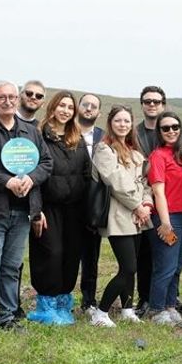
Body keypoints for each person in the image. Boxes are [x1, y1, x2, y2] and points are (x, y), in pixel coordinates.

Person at [0, 81, 52, 337]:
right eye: (1, 97)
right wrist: (6, 181)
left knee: (11, 268)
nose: (8, 101)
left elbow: (46, 162)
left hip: (22, 211)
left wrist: (31, 179)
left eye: (12, 97)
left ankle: (7, 316)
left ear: (18, 100)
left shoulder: (31, 132)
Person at [27, 91, 91, 326]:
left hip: (75, 209)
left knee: (71, 254)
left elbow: (86, 173)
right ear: (52, 107)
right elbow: (33, 176)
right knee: (51, 253)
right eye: (61, 106)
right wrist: (36, 210)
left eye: (70, 107)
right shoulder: (38, 136)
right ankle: (46, 305)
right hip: (48, 207)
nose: (65, 111)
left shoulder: (77, 137)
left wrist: (89, 209)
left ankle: (64, 303)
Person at [89, 105, 153, 325]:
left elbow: (145, 182)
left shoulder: (134, 151)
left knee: (131, 266)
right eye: (118, 120)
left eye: (126, 121)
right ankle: (101, 313)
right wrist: (137, 206)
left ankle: (127, 309)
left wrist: (146, 204)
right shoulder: (104, 150)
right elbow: (116, 182)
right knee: (128, 267)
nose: (122, 125)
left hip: (138, 216)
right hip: (119, 216)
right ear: (110, 123)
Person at [147, 111, 182, 327]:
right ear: (159, 132)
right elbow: (158, 192)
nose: (171, 131)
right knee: (165, 265)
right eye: (165, 128)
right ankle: (157, 309)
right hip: (169, 217)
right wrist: (165, 223)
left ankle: (170, 305)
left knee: (178, 264)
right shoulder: (158, 156)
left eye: (175, 127)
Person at [131, 86, 167, 316]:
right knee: (144, 253)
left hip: (168, 202)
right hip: (142, 201)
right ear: (142, 104)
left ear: (163, 104)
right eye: (147, 101)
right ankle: (144, 298)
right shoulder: (133, 133)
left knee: (169, 249)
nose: (152, 104)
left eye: (156, 101)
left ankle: (168, 296)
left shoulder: (170, 130)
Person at [75, 93, 105, 311]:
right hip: (69, 201)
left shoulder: (104, 137)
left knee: (91, 255)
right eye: (85, 104)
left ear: (99, 113)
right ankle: (62, 296)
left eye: (93, 106)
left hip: (95, 203)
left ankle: (89, 300)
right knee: (66, 253)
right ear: (78, 107)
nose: (89, 108)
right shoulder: (66, 132)